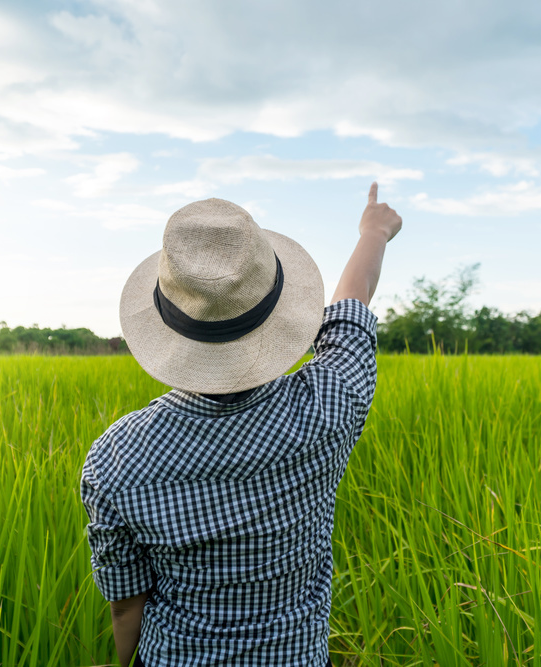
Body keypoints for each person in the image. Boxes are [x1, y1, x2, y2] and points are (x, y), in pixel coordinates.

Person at [80, 182, 402, 666]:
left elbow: (127, 604)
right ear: (277, 307)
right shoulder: (328, 405)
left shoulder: (114, 458)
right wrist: (373, 232)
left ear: (169, 323)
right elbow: (351, 311)